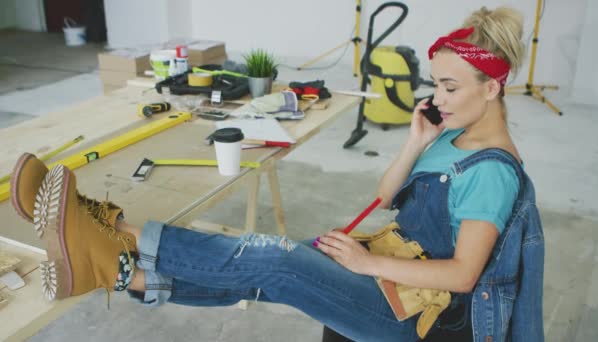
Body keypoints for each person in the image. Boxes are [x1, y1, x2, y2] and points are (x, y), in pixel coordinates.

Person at [9, 6, 543, 342]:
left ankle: (112, 236)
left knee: (275, 260)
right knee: (263, 272)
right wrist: (416, 141)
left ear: (492, 88)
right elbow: (387, 196)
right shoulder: (448, 135)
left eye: (451, 88)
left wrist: (365, 259)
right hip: (392, 276)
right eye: (436, 84)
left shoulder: (493, 173)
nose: (436, 98)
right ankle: (117, 271)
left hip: (410, 317)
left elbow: (463, 276)